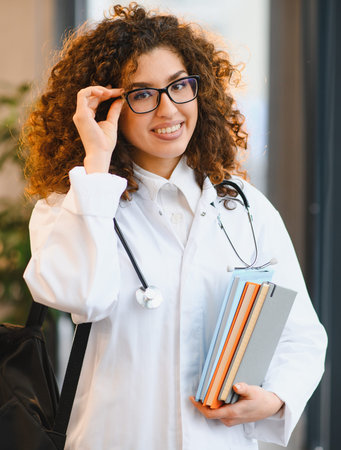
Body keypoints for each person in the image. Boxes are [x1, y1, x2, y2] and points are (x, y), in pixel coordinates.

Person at [22, 3, 327, 449]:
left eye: (179, 86)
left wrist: (274, 398)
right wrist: (96, 169)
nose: (168, 110)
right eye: (142, 94)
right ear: (108, 106)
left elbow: (300, 335)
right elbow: (81, 297)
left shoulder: (244, 208)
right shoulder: (71, 206)